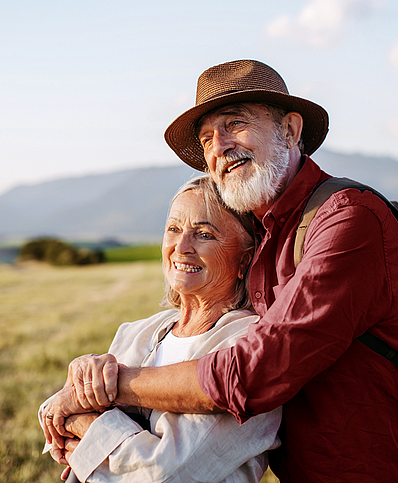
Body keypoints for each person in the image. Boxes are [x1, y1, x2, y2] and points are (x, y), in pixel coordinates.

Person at [46, 59, 398, 482]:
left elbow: (258, 371)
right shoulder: (258, 235)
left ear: (291, 131)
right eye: (207, 138)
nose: (219, 147)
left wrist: (108, 386)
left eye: (235, 123)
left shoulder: (348, 219)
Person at [39, 174, 281, 483]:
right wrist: (78, 385)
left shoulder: (249, 345)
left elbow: (165, 473)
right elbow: (53, 416)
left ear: (245, 261)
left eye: (204, 234)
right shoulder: (136, 332)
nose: (181, 246)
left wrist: (85, 425)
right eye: (174, 229)